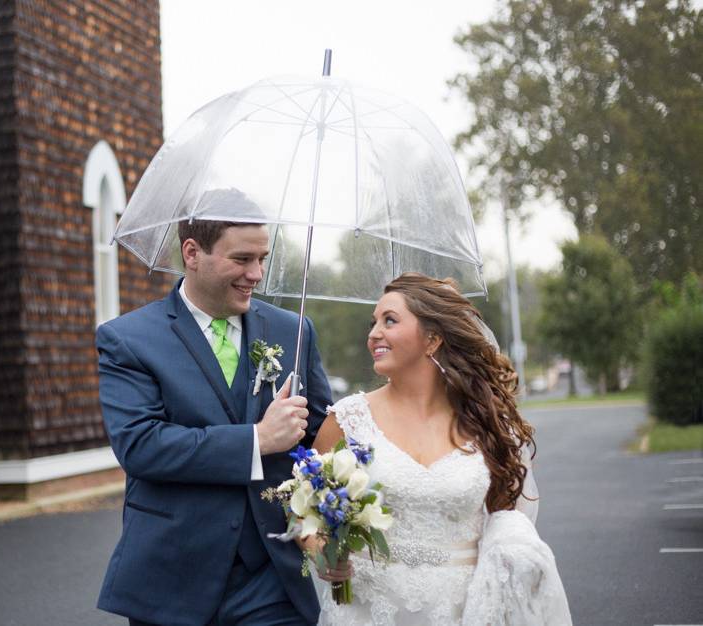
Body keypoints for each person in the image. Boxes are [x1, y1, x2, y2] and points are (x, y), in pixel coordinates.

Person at [96, 216, 333, 625]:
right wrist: (256, 439)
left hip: (272, 576)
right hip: (173, 575)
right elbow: (141, 446)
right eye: (242, 259)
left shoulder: (293, 331)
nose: (256, 274)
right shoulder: (128, 338)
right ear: (192, 253)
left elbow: (322, 442)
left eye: (262, 258)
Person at [310, 273, 571, 625]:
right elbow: (304, 509)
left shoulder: (484, 424)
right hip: (367, 612)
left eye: (390, 320)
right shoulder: (348, 420)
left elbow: (508, 521)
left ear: (432, 339)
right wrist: (320, 552)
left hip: (463, 611)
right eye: (374, 322)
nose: (374, 334)